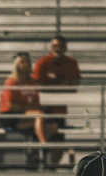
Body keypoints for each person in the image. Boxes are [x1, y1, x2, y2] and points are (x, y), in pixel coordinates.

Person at [0, 52, 60, 165]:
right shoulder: (11, 82)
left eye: (27, 62)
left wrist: (33, 108)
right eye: (22, 62)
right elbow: (10, 106)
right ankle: (43, 146)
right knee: (39, 116)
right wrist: (29, 108)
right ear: (16, 64)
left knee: (53, 125)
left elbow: (36, 103)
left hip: (29, 115)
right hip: (11, 116)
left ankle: (34, 154)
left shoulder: (32, 83)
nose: (26, 64)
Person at [32, 35, 80, 165]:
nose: (57, 49)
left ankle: (51, 169)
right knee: (37, 140)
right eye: (55, 46)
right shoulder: (43, 62)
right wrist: (62, 85)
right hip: (43, 108)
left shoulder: (71, 63)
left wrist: (50, 87)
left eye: (60, 46)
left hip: (59, 109)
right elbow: (38, 87)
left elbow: (74, 88)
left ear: (65, 48)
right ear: (50, 47)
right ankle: (36, 166)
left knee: (59, 141)